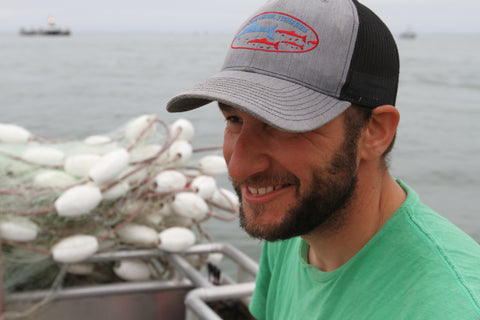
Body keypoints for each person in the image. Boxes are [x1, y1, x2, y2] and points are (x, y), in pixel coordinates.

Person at [167, 0, 480, 318]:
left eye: (279, 125)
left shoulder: (452, 306)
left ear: (375, 132)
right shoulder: (293, 226)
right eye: (233, 119)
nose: (238, 167)